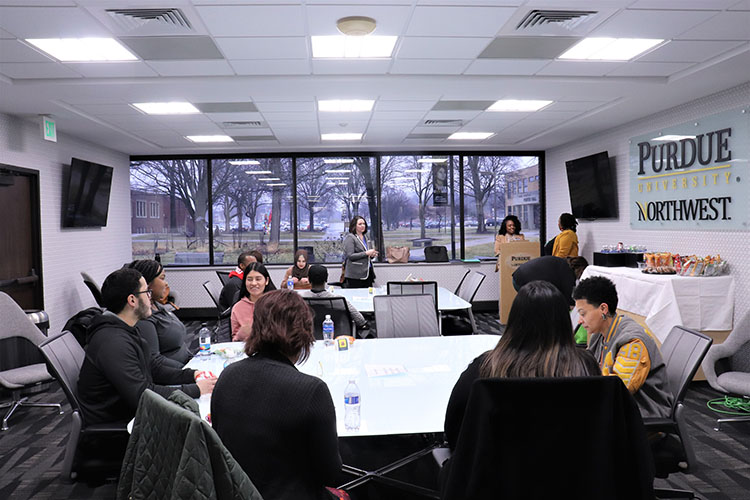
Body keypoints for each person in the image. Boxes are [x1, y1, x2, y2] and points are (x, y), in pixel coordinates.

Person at [211, 290, 343, 500]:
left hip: (236, 492)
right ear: (304, 333)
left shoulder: (227, 376)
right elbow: (330, 475)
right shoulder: (311, 390)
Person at [444, 281, 600, 451]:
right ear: (564, 320)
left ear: (515, 320)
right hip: (574, 471)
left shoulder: (485, 367)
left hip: (496, 472)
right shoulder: (586, 365)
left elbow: (455, 429)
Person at [78, 268, 215, 427]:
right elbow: (142, 394)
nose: (151, 298)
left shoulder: (126, 329)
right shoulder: (113, 342)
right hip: (121, 427)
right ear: (132, 300)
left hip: (134, 414)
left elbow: (153, 367)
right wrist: (195, 390)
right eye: (146, 292)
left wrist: (192, 375)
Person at [573, 276, 672, 419]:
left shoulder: (632, 344)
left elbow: (616, 392)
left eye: (583, 314)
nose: (580, 320)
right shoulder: (600, 333)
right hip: (618, 409)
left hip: (642, 415)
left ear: (603, 309)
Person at [128, 259, 190, 366]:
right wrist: (191, 372)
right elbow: (154, 362)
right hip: (176, 376)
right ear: (146, 284)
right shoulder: (144, 318)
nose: (166, 284)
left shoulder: (158, 307)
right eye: (162, 278)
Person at [301, 265, 368, 330]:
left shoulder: (300, 300)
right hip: (336, 337)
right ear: (326, 279)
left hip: (307, 338)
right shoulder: (339, 300)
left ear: (309, 279)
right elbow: (360, 320)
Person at [230, 262, 270, 341]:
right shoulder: (238, 308)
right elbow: (234, 340)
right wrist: (240, 335)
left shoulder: (276, 304)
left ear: (266, 281)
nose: (254, 283)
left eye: (258, 279)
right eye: (249, 279)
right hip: (246, 350)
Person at [343, 216, 377, 288]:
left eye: (364, 224)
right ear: (354, 226)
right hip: (355, 275)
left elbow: (368, 253)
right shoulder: (351, 238)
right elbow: (350, 256)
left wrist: (372, 255)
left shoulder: (366, 237)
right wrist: (366, 253)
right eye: (360, 224)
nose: (362, 226)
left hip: (367, 272)